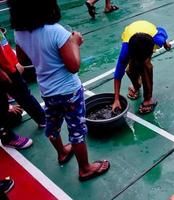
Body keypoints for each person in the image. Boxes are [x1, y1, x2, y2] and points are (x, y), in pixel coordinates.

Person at [9, 0, 110, 181]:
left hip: (47, 92)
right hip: (69, 92)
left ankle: (62, 152)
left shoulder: (19, 32)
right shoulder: (56, 31)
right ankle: (85, 169)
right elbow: (73, 66)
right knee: (76, 130)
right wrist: (75, 42)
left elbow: (23, 61)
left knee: (52, 124)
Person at [112, 20, 171, 114]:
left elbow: (161, 30)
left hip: (149, 35)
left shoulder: (159, 39)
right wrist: (116, 99)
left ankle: (148, 99)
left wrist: (165, 43)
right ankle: (136, 85)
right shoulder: (126, 50)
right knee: (130, 70)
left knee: (146, 67)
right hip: (131, 34)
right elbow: (118, 74)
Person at [0, 29, 45, 128]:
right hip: (5, 70)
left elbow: (3, 44)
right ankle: (42, 119)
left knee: (22, 95)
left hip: (9, 65)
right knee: (23, 95)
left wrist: (14, 61)